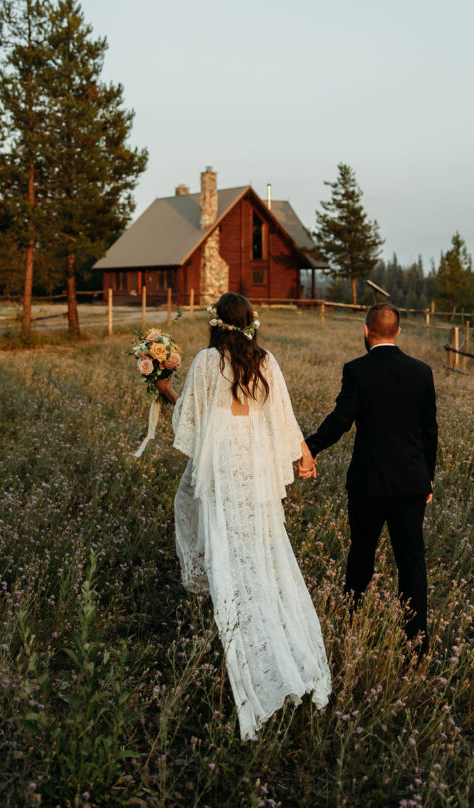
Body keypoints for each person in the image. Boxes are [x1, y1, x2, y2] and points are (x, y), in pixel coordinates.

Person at [156, 292, 330, 739]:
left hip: (222, 467)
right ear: (251, 323)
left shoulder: (205, 362)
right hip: (252, 463)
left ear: (217, 324)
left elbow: (187, 421)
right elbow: (285, 420)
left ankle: (239, 621)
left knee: (223, 541)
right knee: (260, 544)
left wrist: (163, 389)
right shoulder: (266, 362)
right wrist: (302, 456)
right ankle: (269, 621)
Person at [304, 303, 437, 656]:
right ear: (398, 332)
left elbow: (341, 420)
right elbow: (429, 431)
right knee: (412, 561)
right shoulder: (422, 372)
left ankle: (350, 622)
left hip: (368, 483)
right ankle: (416, 643)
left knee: (361, 555)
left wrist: (309, 446)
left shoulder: (357, 370)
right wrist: (428, 479)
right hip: (411, 483)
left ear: (366, 331)